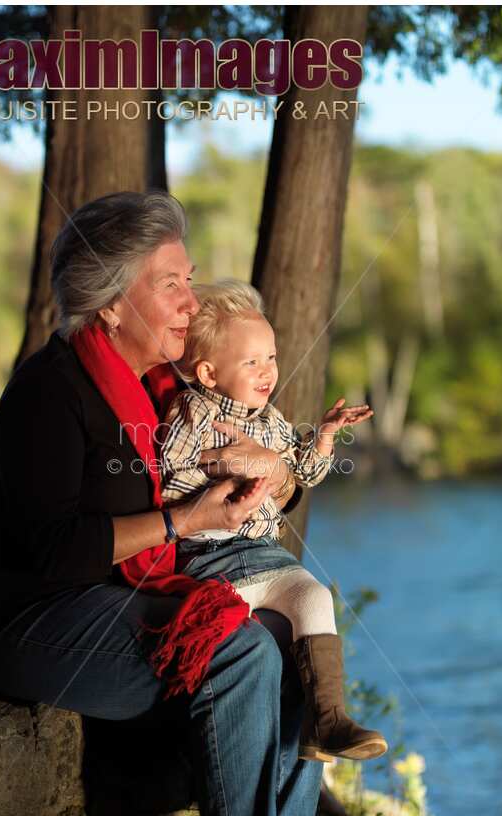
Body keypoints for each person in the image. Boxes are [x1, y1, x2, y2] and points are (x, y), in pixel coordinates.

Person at [0, 190, 322, 816]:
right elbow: (58, 552)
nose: (192, 301)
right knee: (240, 646)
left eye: (189, 280)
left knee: (299, 641)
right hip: (35, 622)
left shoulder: (167, 389)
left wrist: (276, 478)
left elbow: (265, 464)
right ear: (112, 302)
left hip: (118, 598)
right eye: (171, 284)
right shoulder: (48, 393)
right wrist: (183, 523)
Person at [159, 280, 388, 763]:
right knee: (252, 645)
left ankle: (326, 720)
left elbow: (304, 473)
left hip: (263, 554)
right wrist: (214, 467)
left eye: (272, 357)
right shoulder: (192, 412)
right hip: (211, 554)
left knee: (314, 596)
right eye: (252, 362)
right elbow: (167, 479)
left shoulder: (270, 420)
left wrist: (324, 437)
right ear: (208, 372)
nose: (268, 372)